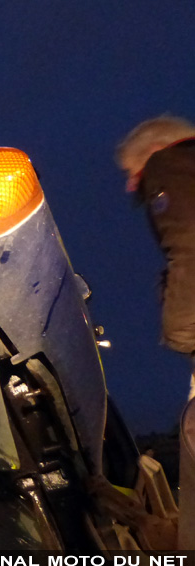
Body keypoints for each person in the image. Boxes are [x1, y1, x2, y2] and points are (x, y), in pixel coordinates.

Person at [116, 115, 195, 401]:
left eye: (132, 171)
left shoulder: (169, 165)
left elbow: (190, 244)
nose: (130, 186)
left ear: (155, 150)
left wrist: (180, 330)